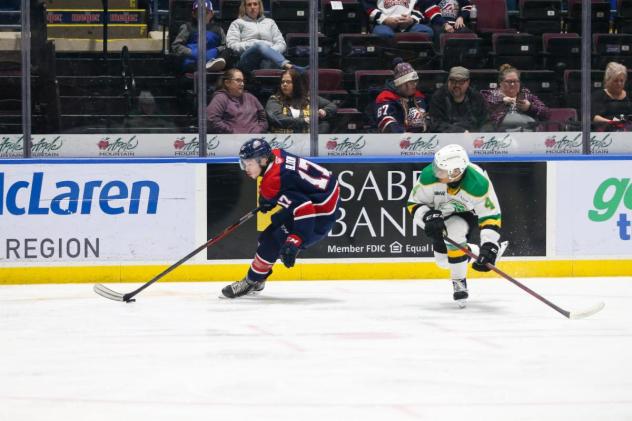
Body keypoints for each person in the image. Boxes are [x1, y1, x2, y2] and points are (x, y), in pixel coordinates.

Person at [222, 138, 341, 298]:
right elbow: (293, 185)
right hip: (322, 196)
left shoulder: (273, 181)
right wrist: (271, 197)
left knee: (271, 243)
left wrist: (295, 240)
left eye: (249, 163)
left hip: (319, 212)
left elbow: (304, 208)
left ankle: (250, 282)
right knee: (266, 237)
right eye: (244, 163)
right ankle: (259, 279)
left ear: (263, 160)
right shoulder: (276, 154)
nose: (246, 168)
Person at [407, 144, 502, 307]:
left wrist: (489, 244)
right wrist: (428, 216)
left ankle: (459, 282)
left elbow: (490, 215)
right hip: (438, 216)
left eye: (441, 170)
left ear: (456, 172)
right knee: (442, 262)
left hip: (466, 215)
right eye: (436, 167)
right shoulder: (428, 175)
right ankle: (474, 252)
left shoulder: (478, 183)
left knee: (454, 234)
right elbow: (413, 203)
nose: (435, 172)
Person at [226, 0, 304, 74]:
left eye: (255, 4)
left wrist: (268, 51)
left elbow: (281, 43)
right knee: (259, 45)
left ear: (259, 6)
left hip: (269, 59)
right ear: (245, 8)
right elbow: (231, 45)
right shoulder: (237, 23)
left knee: (264, 52)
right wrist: (253, 45)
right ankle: (288, 65)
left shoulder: (270, 22)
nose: (252, 7)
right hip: (247, 59)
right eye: (249, 4)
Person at [480, 64, 551, 132]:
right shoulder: (490, 95)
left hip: (529, 134)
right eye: (509, 81)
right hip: (501, 136)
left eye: (515, 81)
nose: (513, 84)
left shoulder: (527, 95)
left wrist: (529, 107)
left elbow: (546, 114)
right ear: (500, 83)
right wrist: (501, 101)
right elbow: (482, 112)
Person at [265, 68, 338, 133]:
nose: (284, 84)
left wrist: (324, 111)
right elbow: (277, 119)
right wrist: (304, 121)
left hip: (308, 141)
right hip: (283, 141)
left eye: (289, 82)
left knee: (325, 125)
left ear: (297, 84)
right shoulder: (274, 99)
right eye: (282, 82)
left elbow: (332, 106)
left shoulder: (308, 98)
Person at [171, 0, 226, 73]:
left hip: (212, 60)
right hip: (192, 61)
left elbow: (225, 46)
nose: (203, 14)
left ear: (212, 14)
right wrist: (191, 52)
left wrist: (216, 50)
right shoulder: (187, 27)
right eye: (199, 12)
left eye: (206, 12)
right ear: (193, 14)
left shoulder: (218, 29)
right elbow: (176, 45)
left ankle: (211, 67)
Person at [375, 58, 429, 133]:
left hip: (419, 140)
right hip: (393, 140)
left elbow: (427, 118)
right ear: (401, 84)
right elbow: (386, 122)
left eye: (416, 81)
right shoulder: (385, 97)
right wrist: (402, 134)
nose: (415, 85)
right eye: (411, 82)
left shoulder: (418, 95)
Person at [428, 66, 489, 132]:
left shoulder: (476, 97)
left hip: (472, 137)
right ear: (448, 81)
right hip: (446, 138)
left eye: (461, 82)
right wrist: (459, 131)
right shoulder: (438, 97)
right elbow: (435, 124)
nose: (456, 85)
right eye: (453, 81)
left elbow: (486, 122)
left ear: (468, 82)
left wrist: (480, 136)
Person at [207, 68, 268, 133]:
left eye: (243, 81)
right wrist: (233, 132)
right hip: (230, 140)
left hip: (254, 140)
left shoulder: (251, 97)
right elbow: (212, 120)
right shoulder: (220, 98)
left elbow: (263, 120)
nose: (242, 84)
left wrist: (257, 131)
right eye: (238, 80)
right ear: (227, 83)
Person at [592, 61, 632, 131]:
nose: (619, 83)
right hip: (605, 130)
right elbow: (594, 117)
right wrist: (611, 122)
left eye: (621, 81)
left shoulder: (629, 95)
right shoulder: (598, 95)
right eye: (615, 81)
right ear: (608, 80)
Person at [361, 0, 433, 39]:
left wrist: (412, 19)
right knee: (383, 34)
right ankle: (391, 61)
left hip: (409, 25)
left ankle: (412, 61)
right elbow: (369, 8)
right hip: (384, 24)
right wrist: (384, 19)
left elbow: (421, 8)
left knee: (426, 32)